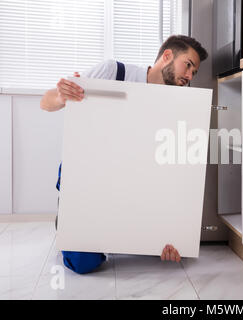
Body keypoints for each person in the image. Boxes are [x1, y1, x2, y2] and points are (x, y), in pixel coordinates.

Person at [40, 35, 208, 274]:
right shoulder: (113, 72)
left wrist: (172, 228)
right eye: (188, 65)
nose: (190, 76)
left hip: (134, 177)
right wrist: (61, 96)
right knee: (83, 263)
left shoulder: (177, 103)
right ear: (167, 56)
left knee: (161, 246)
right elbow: (45, 102)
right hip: (89, 173)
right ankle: (69, 218)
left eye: (194, 72)